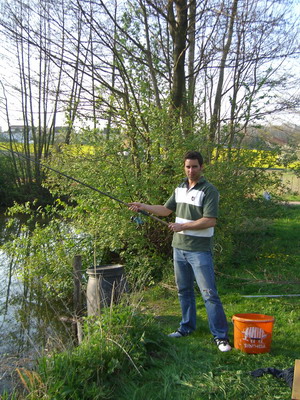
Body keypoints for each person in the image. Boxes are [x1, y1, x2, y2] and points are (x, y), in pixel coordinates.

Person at [129, 151, 231, 352]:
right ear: (184, 168)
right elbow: (166, 210)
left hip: (199, 251)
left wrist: (183, 227)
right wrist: (144, 206)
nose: (191, 170)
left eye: (194, 166)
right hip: (179, 249)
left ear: (202, 167)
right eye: (188, 166)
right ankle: (186, 327)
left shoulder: (210, 191)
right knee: (184, 291)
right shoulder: (180, 188)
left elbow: (209, 220)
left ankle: (220, 337)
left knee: (209, 294)